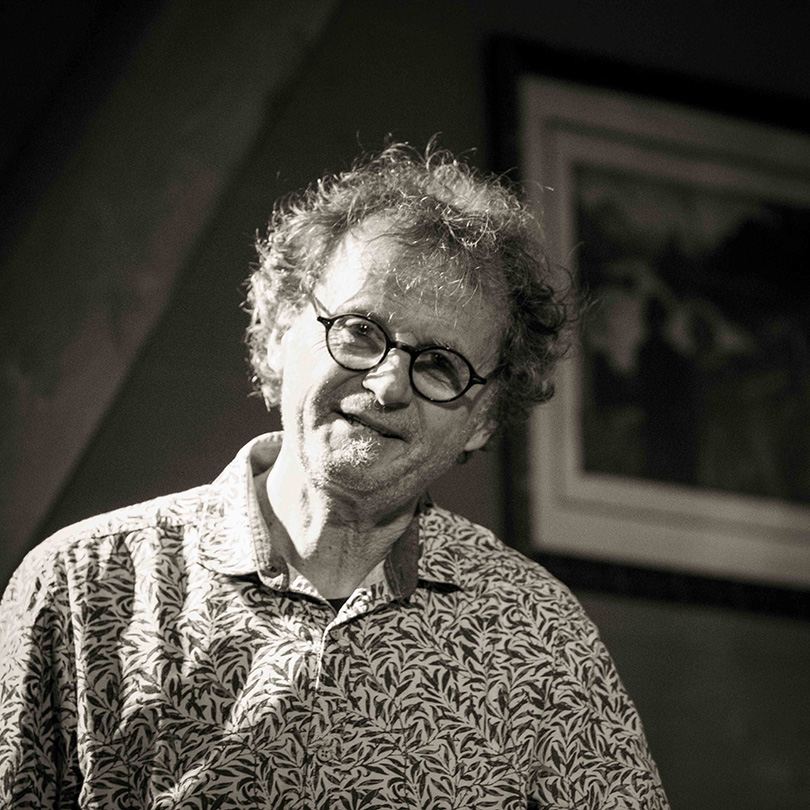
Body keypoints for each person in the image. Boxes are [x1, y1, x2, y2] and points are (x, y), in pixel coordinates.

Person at [0, 143, 669, 809]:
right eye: (360, 330)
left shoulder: (541, 637)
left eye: (441, 364)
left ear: (485, 418)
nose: (387, 385)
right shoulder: (81, 585)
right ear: (280, 331)